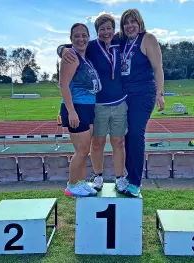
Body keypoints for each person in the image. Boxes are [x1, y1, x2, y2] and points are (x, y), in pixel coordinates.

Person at [57, 14, 129, 193]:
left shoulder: (120, 41)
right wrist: (62, 50)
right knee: (91, 145)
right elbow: (67, 52)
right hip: (91, 106)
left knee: (116, 142)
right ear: (96, 33)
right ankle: (88, 179)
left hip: (109, 104)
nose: (106, 32)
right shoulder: (86, 49)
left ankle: (117, 178)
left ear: (114, 29)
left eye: (109, 28)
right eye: (102, 29)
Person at [119, 9, 165, 197]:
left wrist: (160, 93)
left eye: (133, 22)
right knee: (124, 136)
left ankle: (135, 182)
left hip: (143, 94)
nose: (130, 26)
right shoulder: (120, 40)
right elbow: (97, 43)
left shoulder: (148, 39)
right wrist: (64, 49)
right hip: (123, 95)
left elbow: (158, 67)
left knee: (136, 134)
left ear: (140, 23)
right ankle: (125, 176)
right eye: (126, 23)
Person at [59, 23, 102, 197]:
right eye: (77, 36)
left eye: (84, 35)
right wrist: (72, 112)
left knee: (85, 150)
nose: (81, 39)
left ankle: (81, 182)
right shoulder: (71, 56)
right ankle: (71, 185)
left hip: (88, 107)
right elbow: (63, 85)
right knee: (81, 151)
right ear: (71, 39)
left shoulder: (85, 57)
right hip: (76, 107)